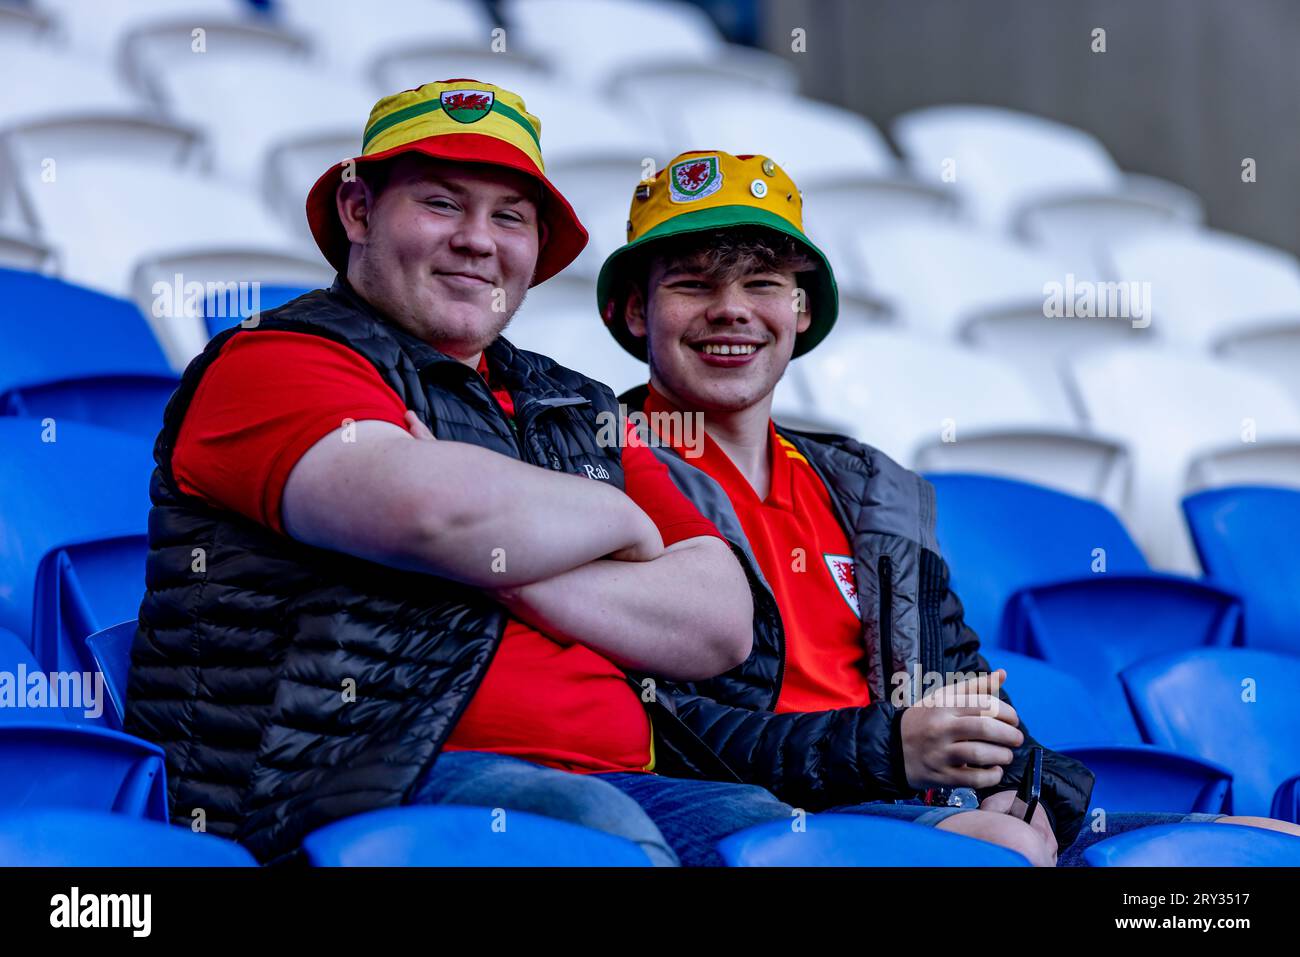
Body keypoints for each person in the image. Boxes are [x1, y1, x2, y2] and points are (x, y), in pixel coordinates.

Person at [595, 149, 1300, 865]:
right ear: (630, 308)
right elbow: (657, 722)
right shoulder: (599, 468)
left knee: (1268, 846)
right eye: (691, 284)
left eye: (763, 283)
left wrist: (1021, 784)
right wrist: (894, 754)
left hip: (929, 804)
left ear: (800, 311)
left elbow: (961, 682)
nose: (732, 309)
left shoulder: (867, 484)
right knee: (1000, 847)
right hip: (777, 814)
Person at [125, 81, 765, 866]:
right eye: (441, 203)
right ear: (358, 212)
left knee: (794, 837)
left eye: (509, 216)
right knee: (586, 833)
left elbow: (721, 620)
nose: (477, 239)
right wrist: (625, 524)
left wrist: (504, 567)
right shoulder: (275, 359)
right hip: (344, 782)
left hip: (630, 782)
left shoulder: (569, 398)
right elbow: (439, 518)